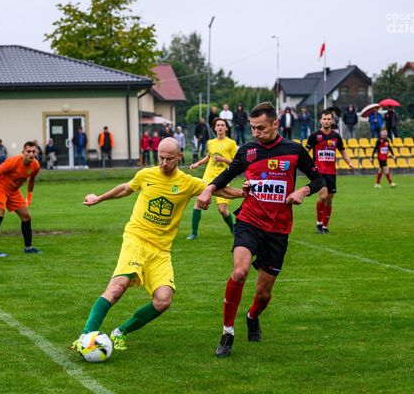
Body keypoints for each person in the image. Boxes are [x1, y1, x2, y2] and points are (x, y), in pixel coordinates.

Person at [70, 138, 246, 352]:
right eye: (161, 157)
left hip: (161, 249)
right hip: (136, 238)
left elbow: (220, 190)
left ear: (179, 157)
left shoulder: (188, 182)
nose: (164, 163)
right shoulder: (146, 175)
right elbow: (125, 189)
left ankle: (120, 332)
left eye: (169, 159)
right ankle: (85, 336)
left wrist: (244, 193)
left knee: (163, 300)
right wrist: (98, 198)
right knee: (117, 288)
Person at [196, 102, 323, 358]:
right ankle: (227, 332)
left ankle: (252, 316)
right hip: (249, 221)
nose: (256, 132)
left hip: (278, 229)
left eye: (261, 128)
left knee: (263, 294)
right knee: (239, 271)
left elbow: (319, 179)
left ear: (275, 124)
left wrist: (303, 190)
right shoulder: (247, 150)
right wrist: (208, 189)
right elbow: (226, 175)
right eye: (253, 128)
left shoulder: (294, 150)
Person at [0, 141, 41, 257]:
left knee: (26, 216)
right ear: (23, 152)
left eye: (33, 152)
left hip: (13, 191)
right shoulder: (12, 162)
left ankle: (28, 248)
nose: (31, 154)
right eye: (28, 151)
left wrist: (29, 197)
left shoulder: (35, 165)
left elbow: (31, 180)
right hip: (0, 188)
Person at [187, 118, 238, 240]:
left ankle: (233, 229)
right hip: (208, 176)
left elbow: (235, 163)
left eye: (222, 125)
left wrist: (223, 160)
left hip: (223, 178)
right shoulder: (210, 142)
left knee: (222, 209)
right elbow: (208, 157)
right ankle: (193, 233)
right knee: (198, 202)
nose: (220, 127)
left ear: (226, 128)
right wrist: (197, 164)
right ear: (215, 128)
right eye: (218, 125)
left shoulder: (231, 143)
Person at [306, 108, 354, 234]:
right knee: (323, 196)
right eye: (324, 119)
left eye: (329, 119)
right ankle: (318, 223)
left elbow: (343, 151)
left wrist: (349, 162)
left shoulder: (336, 137)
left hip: (331, 172)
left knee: (329, 199)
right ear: (321, 120)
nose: (326, 121)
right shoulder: (314, 136)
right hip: (319, 172)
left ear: (332, 121)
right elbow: (306, 152)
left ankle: (325, 226)